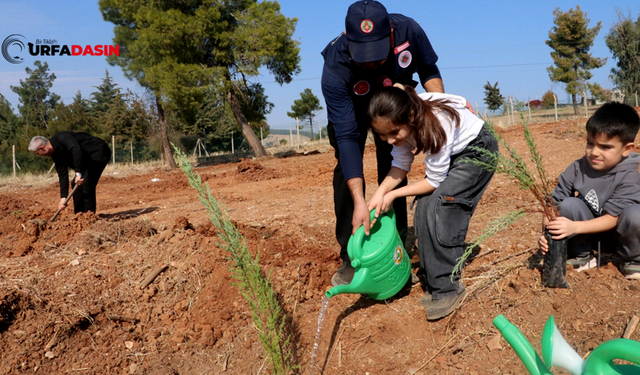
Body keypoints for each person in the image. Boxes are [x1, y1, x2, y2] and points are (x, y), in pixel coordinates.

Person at [321, 0, 446, 286]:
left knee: (392, 163)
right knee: (346, 170)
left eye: (376, 55)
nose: (370, 63)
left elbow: (428, 70)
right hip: (353, 111)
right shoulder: (335, 67)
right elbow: (347, 137)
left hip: (392, 106)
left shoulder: (409, 30)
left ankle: (396, 243)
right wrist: (359, 202)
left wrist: (438, 110)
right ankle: (351, 254)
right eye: (362, 56)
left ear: (390, 33)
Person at [366, 84, 498, 320]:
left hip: (477, 151)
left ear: (410, 116)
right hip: (455, 151)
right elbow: (400, 165)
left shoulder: (435, 123)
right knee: (423, 204)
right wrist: (380, 193)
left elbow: (435, 182)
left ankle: (447, 288)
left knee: (442, 205)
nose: (388, 140)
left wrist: (393, 195)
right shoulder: (406, 108)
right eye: (381, 135)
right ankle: (433, 278)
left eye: (394, 133)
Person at [539, 102, 640, 280]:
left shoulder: (630, 176)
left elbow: (613, 218)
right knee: (568, 204)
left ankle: (633, 260)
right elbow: (552, 205)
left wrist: (574, 226)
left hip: (618, 237)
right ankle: (581, 256)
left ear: (626, 149)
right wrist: (546, 234)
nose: (594, 152)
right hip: (585, 235)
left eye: (605, 147)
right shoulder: (577, 167)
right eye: (590, 143)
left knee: (636, 215)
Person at [29, 132, 112, 214]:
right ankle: (79, 215)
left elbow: (76, 149)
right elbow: (62, 174)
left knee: (87, 183)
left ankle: (89, 215)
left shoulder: (62, 137)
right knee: (75, 184)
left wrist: (78, 173)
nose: (39, 155)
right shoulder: (55, 154)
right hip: (86, 160)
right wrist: (63, 197)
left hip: (98, 152)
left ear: (42, 148)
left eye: (37, 153)